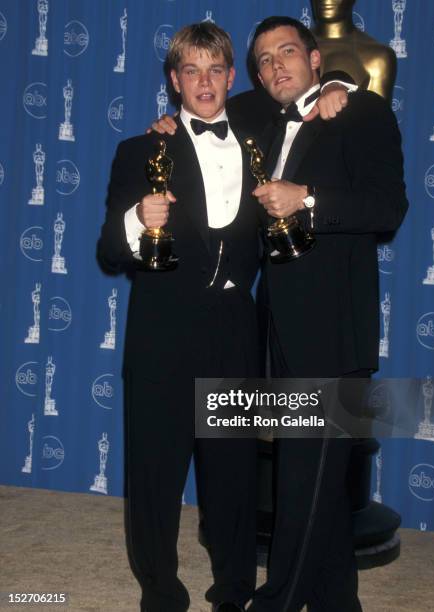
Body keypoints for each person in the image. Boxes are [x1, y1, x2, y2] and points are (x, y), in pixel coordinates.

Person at [244, 16, 408, 612]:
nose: (274, 66)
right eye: (263, 60)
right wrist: (169, 122)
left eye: (287, 52)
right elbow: (206, 100)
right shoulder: (262, 119)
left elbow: (387, 207)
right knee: (313, 475)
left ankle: (278, 602)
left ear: (316, 60)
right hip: (277, 325)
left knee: (302, 477)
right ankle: (339, 601)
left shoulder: (361, 113)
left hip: (334, 325)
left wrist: (307, 199)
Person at [98, 22, 261, 612]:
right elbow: (109, 251)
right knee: (155, 473)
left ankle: (236, 585)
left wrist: (340, 82)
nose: (205, 81)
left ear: (231, 77)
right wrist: (139, 219)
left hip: (237, 331)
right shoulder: (142, 151)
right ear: (174, 81)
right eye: (191, 70)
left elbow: (306, 94)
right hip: (162, 333)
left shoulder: (259, 142)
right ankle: (160, 591)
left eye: (215, 68)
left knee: (233, 472)